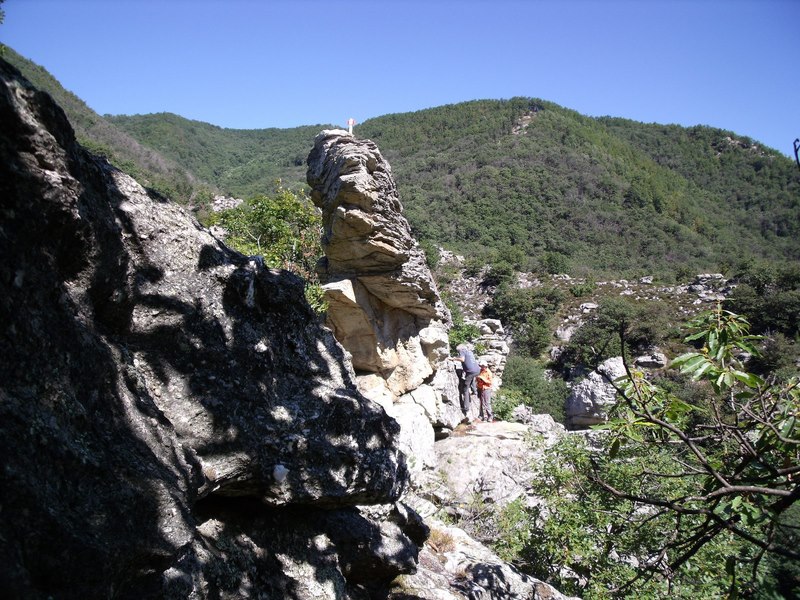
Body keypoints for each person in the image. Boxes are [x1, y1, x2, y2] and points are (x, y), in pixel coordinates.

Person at [450, 343, 481, 422]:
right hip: (477, 370)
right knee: (471, 378)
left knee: (465, 389)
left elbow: (462, 359)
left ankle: (466, 407)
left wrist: (454, 358)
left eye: (458, 351)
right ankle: (474, 391)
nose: (458, 352)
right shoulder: (469, 351)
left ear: (460, 349)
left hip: (470, 372)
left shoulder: (462, 351)